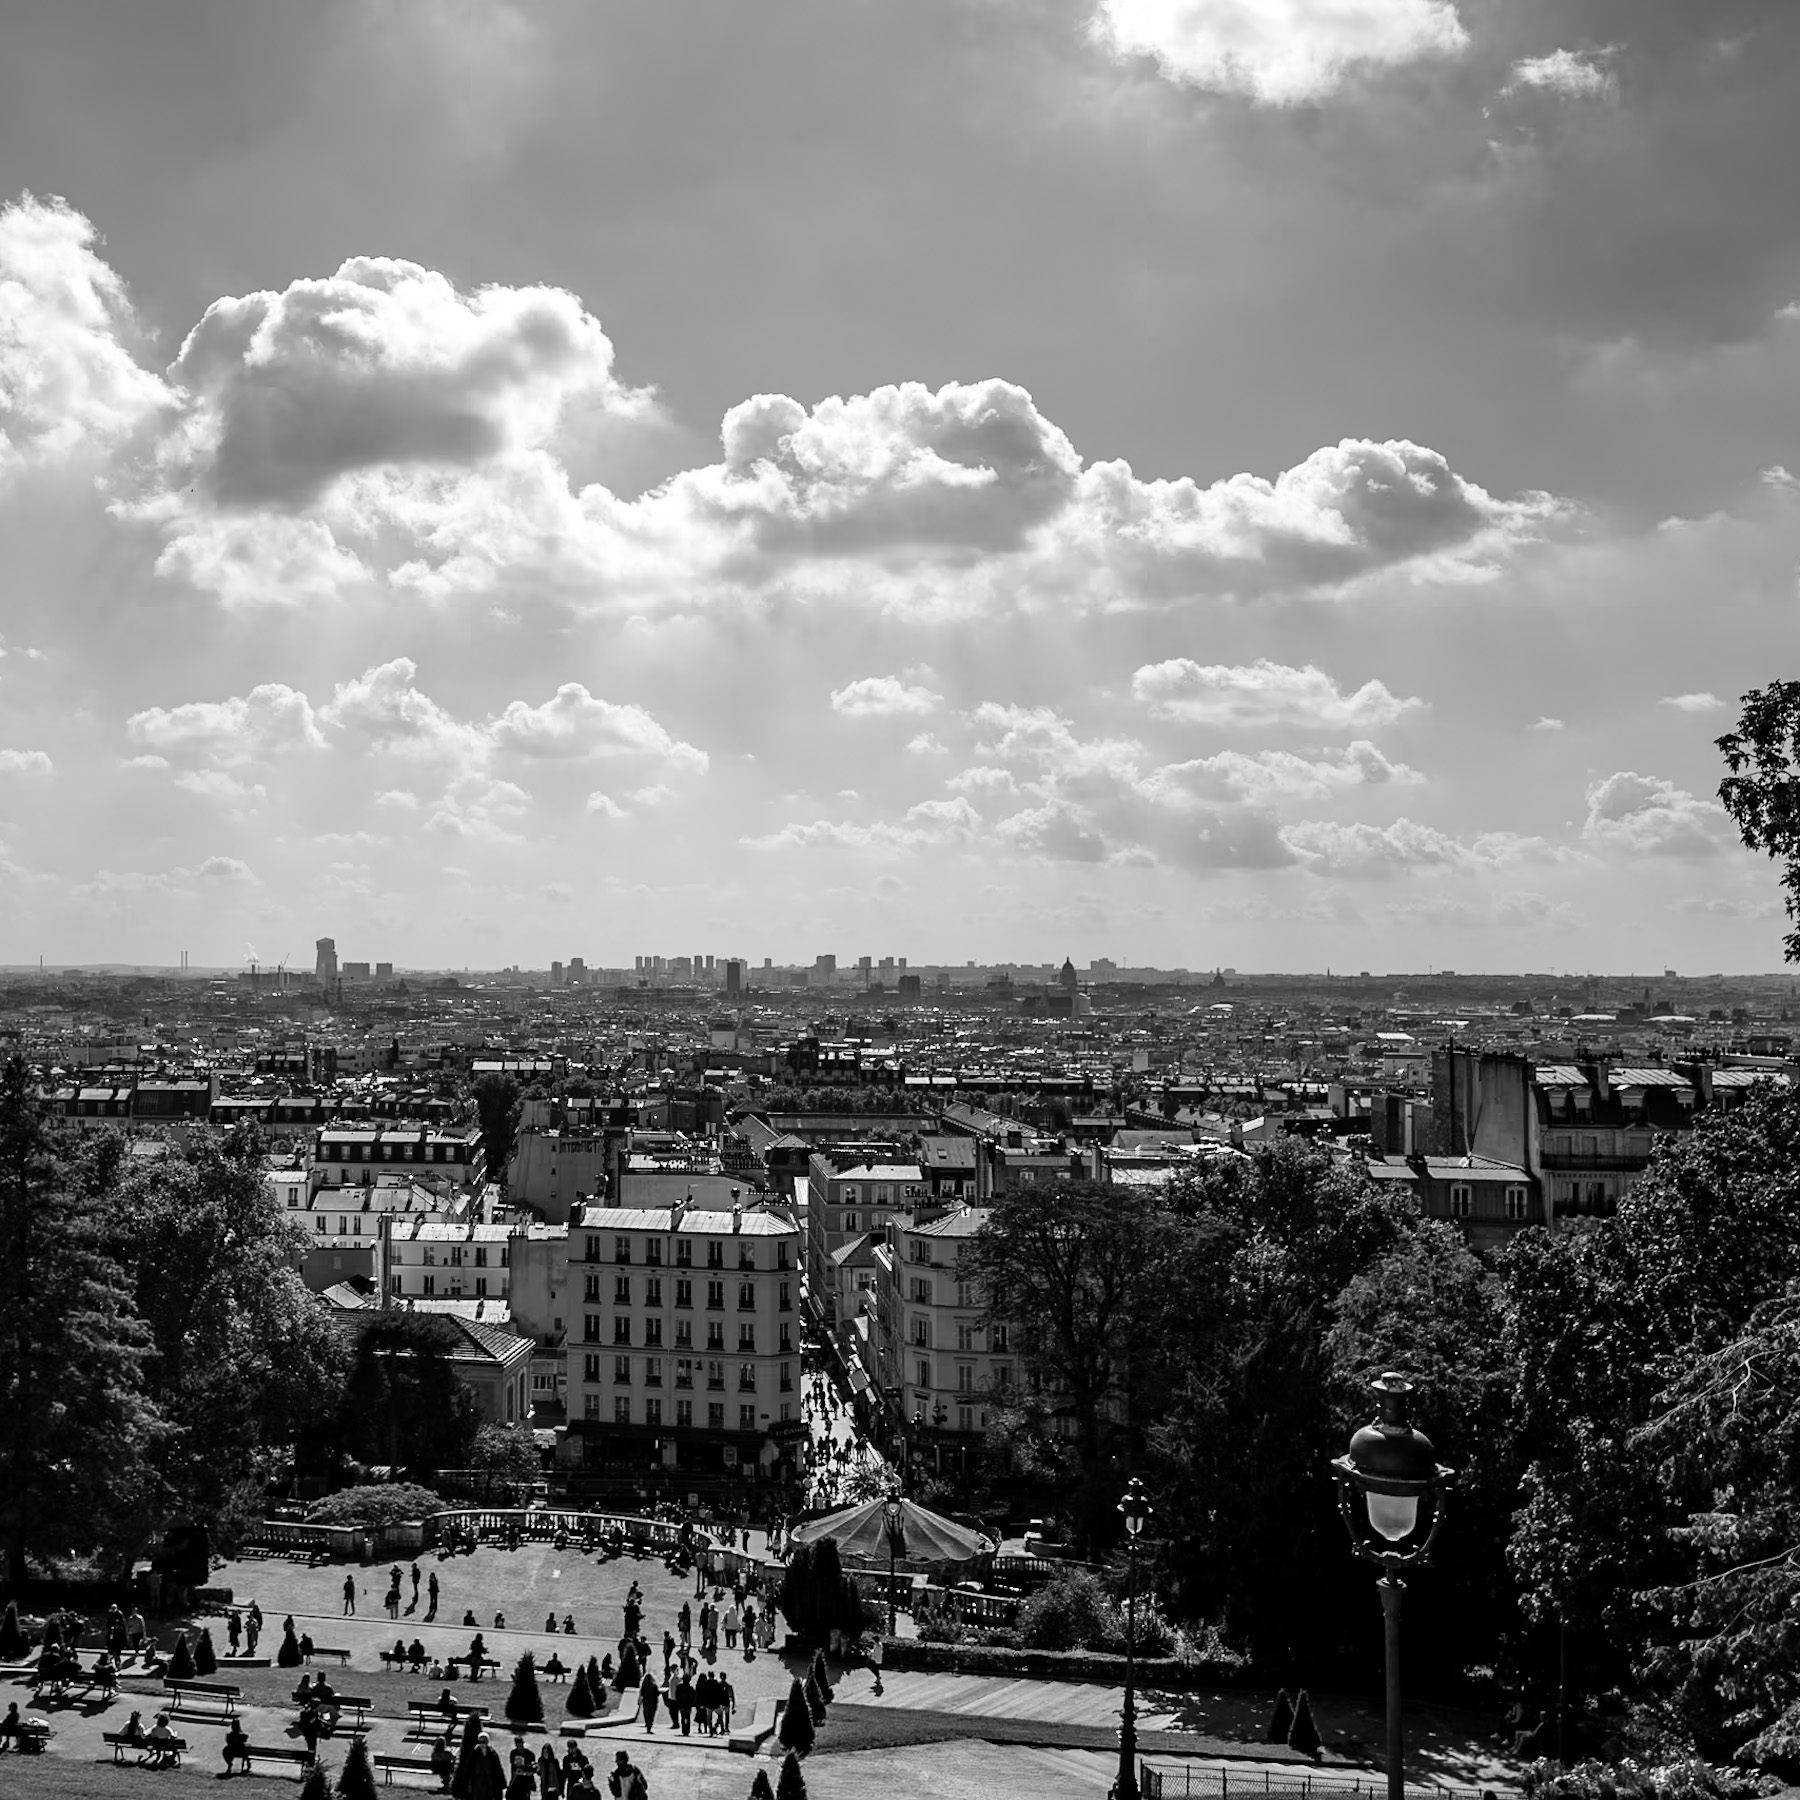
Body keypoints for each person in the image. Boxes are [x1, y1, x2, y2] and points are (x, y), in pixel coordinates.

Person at [470, 1732, 506, 1800]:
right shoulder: (474, 1753)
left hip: (490, 1782)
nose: (482, 1744)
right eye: (480, 1741)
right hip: (478, 1783)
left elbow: (498, 1768)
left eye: (484, 1741)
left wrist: (502, 1783)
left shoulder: (492, 1753)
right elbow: (469, 1769)